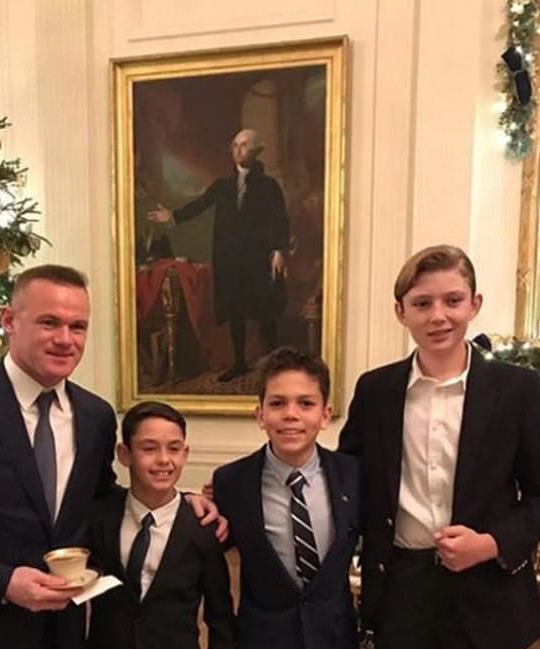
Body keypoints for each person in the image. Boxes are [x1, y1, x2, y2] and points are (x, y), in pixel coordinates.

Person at [0, 264, 222, 649]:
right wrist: (4, 582)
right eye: (49, 322)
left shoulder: (95, 416)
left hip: (62, 632)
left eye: (78, 326)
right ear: (8, 320)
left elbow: (102, 500)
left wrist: (177, 503)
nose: (65, 339)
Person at [339, 245, 540, 649]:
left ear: (474, 304)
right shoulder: (375, 390)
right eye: (422, 303)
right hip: (400, 590)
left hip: (490, 590)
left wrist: (491, 544)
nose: (438, 316)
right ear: (401, 312)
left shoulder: (520, 390)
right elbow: (345, 478)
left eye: (452, 301)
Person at [213, 347, 360, 649]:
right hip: (262, 638)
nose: (290, 414)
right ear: (260, 415)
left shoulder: (353, 475)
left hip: (335, 636)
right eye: (277, 403)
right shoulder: (232, 482)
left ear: (324, 415)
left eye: (305, 403)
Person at [87, 401, 236, 649]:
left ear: (185, 454)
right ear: (125, 454)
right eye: (149, 448)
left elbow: (220, 616)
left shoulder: (202, 528)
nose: (164, 460)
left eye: (174, 449)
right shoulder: (99, 515)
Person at [148, 128, 289, 382]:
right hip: (231, 259)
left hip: (259, 259)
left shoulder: (269, 187)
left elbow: (280, 220)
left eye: (244, 145)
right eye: (235, 145)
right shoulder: (223, 186)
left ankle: (273, 362)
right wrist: (172, 216)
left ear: (256, 151)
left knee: (265, 310)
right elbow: (200, 204)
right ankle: (239, 362)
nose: (238, 150)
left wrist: (279, 250)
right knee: (235, 310)